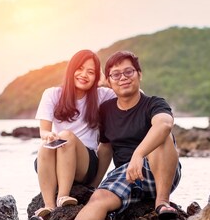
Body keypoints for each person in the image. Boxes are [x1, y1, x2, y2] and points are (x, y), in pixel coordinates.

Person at [75, 51, 182, 220]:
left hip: (159, 170)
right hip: (126, 174)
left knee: (163, 137)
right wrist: (94, 186)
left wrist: (138, 154)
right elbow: (106, 147)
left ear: (139, 75)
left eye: (128, 72)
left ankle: (162, 202)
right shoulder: (106, 109)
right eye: (116, 75)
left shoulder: (154, 103)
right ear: (109, 81)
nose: (123, 78)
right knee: (98, 199)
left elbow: (165, 124)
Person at [31, 49, 115, 219]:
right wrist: (48, 136)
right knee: (46, 145)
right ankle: (49, 205)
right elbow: (44, 130)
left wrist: (106, 81)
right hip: (55, 160)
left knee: (66, 135)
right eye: (80, 68)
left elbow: (135, 95)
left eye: (91, 72)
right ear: (71, 70)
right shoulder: (52, 94)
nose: (84, 75)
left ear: (96, 77)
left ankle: (63, 195)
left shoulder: (102, 95)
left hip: (85, 164)